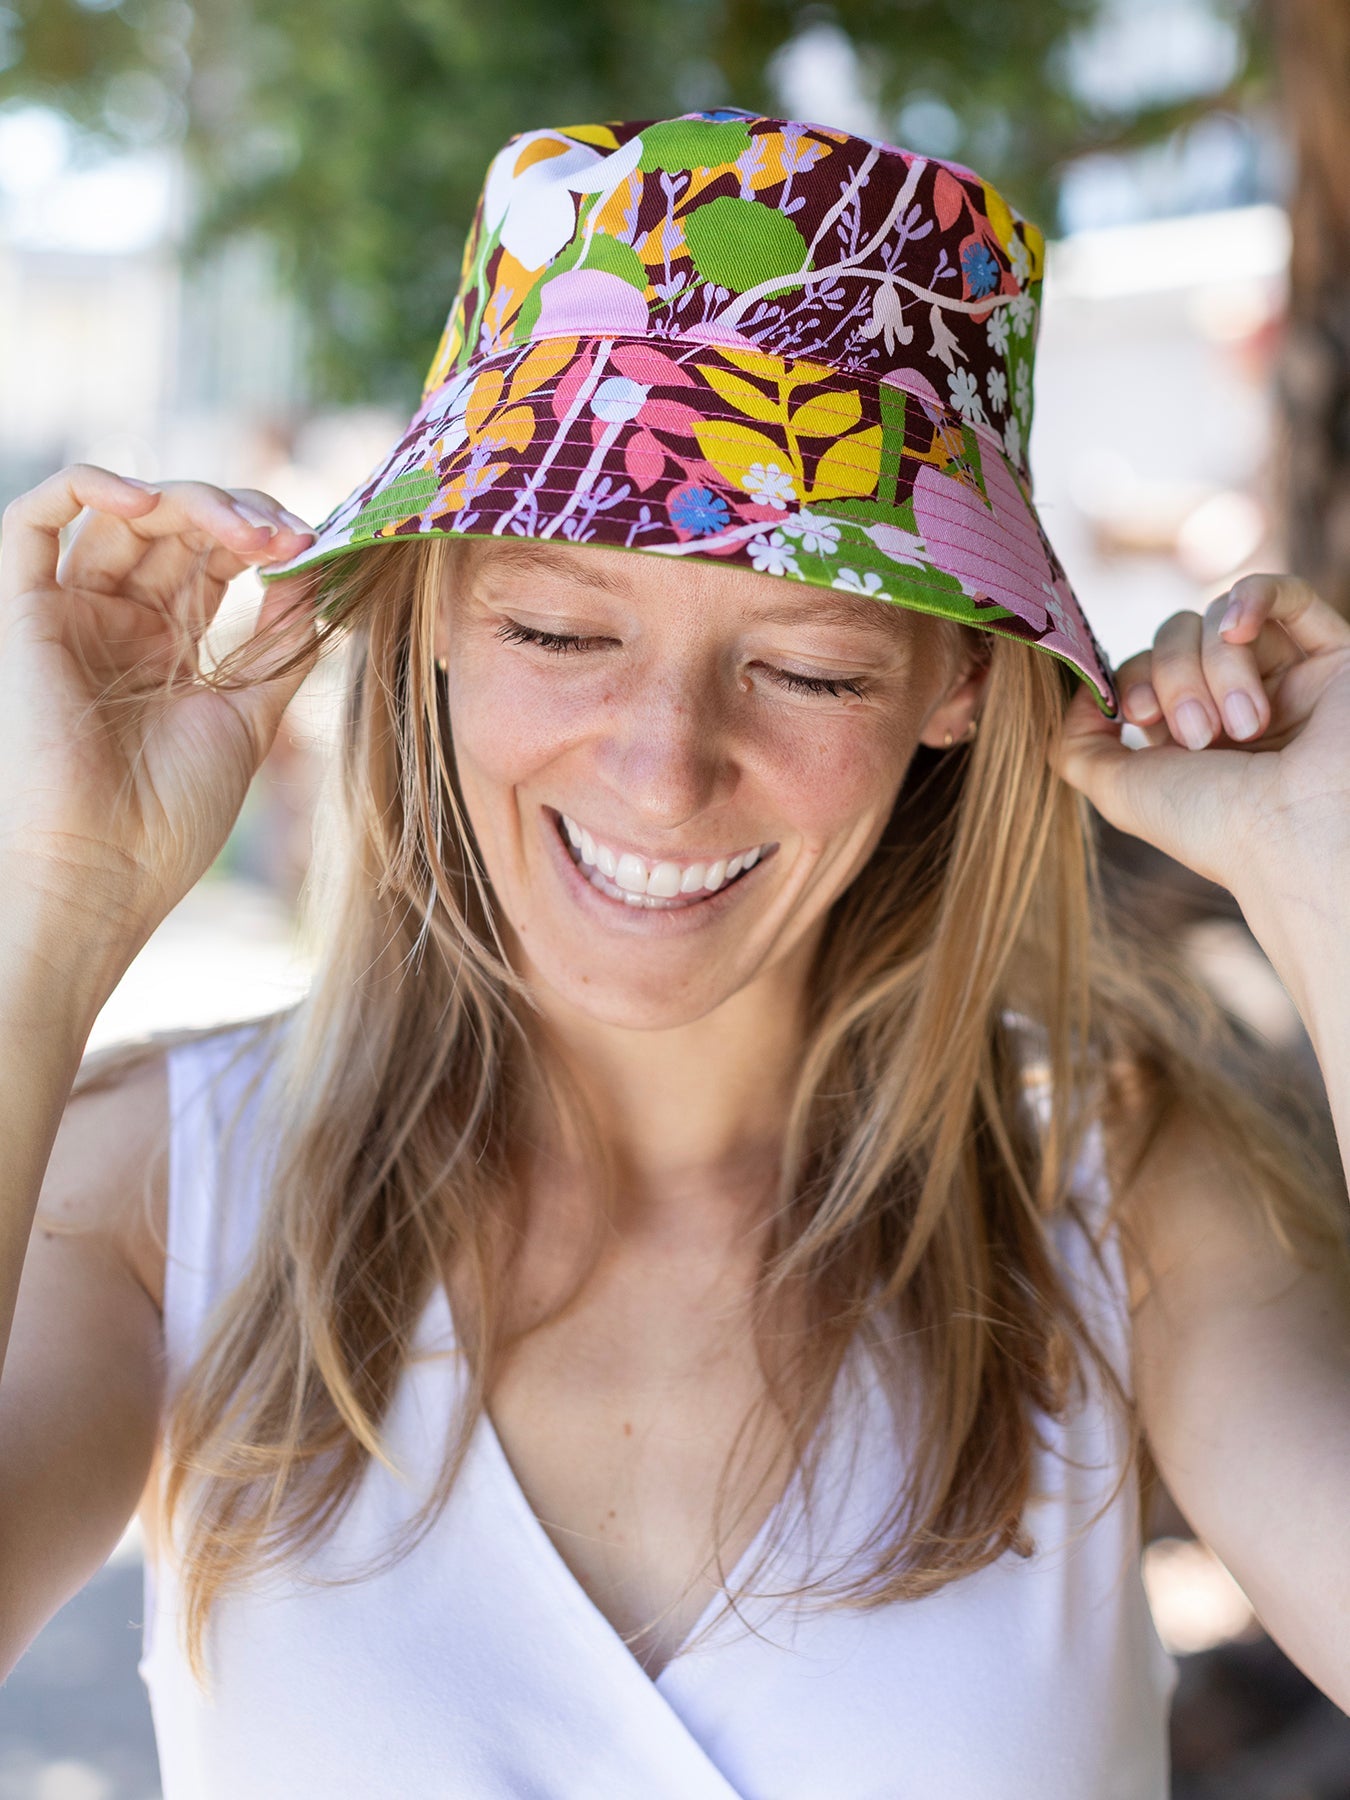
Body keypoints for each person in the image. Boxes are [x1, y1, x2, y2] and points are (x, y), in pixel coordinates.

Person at [1, 108, 1348, 1797]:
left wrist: (1328, 870)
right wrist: (49, 905)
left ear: (954, 688)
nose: (661, 771)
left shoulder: (1117, 1187)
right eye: (562, 630)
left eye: (808, 668)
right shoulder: (152, 1193)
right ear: (432, 618)